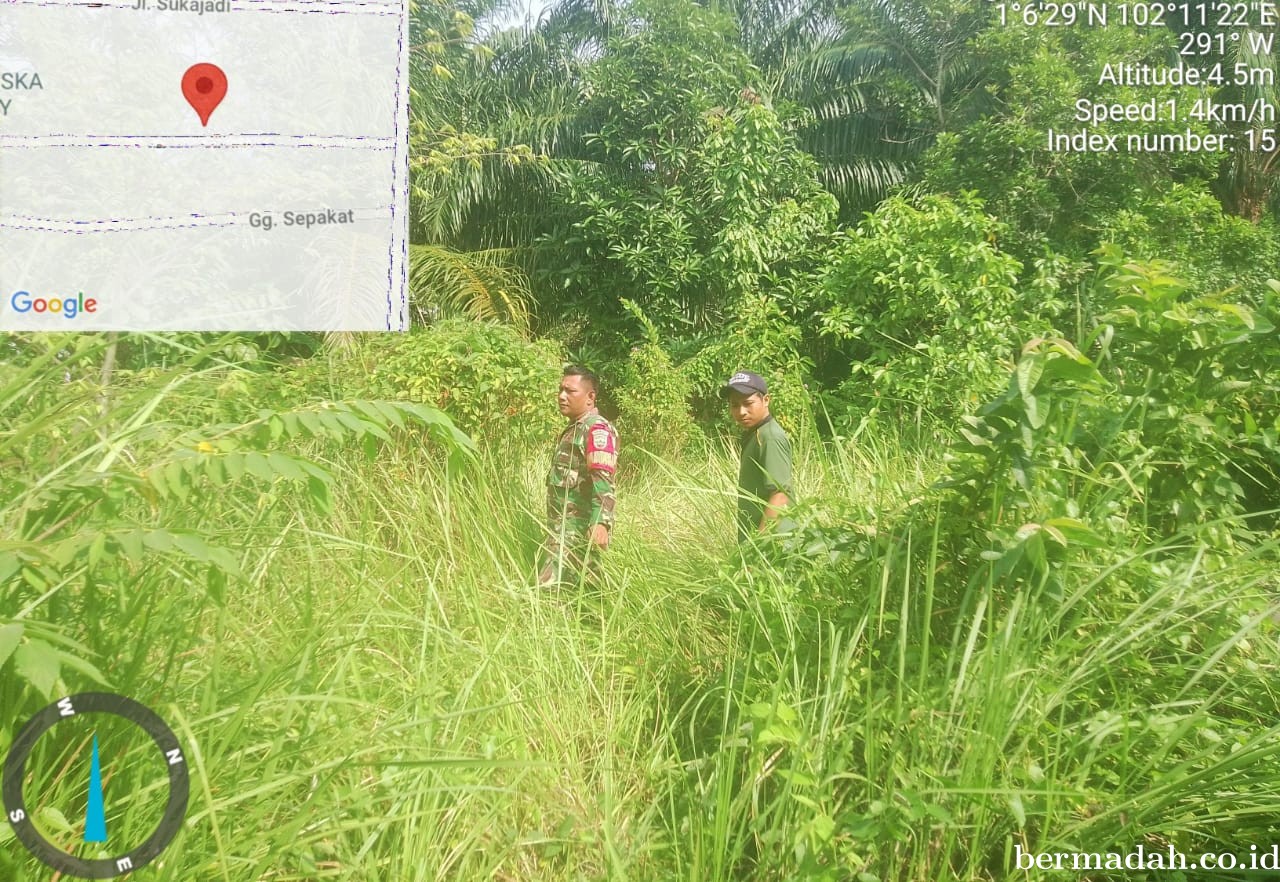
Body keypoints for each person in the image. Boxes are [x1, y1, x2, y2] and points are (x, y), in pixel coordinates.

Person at [539, 366, 619, 585]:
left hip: (577, 531)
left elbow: (603, 480)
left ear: (590, 397)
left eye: (570, 391)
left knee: (546, 593)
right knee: (586, 593)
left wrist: (601, 523)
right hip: (561, 531)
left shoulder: (596, 429)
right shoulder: (575, 428)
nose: (561, 396)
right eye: (560, 390)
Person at [723, 370, 792, 542]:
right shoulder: (756, 434)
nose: (741, 411)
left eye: (748, 403)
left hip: (773, 545)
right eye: (735, 405)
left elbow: (780, 495)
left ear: (766, 400)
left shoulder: (770, 437)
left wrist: (757, 548)